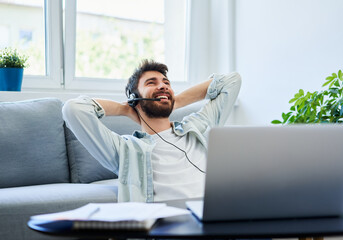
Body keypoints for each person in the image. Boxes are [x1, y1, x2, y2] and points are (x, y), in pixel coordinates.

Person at [62, 59, 241, 203]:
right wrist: (125, 109)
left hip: (215, 219)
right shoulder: (126, 149)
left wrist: (174, 101)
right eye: (151, 83)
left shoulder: (197, 127)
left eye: (166, 83)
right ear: (135, 98)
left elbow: (232, 81)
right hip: (169, 227)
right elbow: (73, 109)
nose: (163, 86)